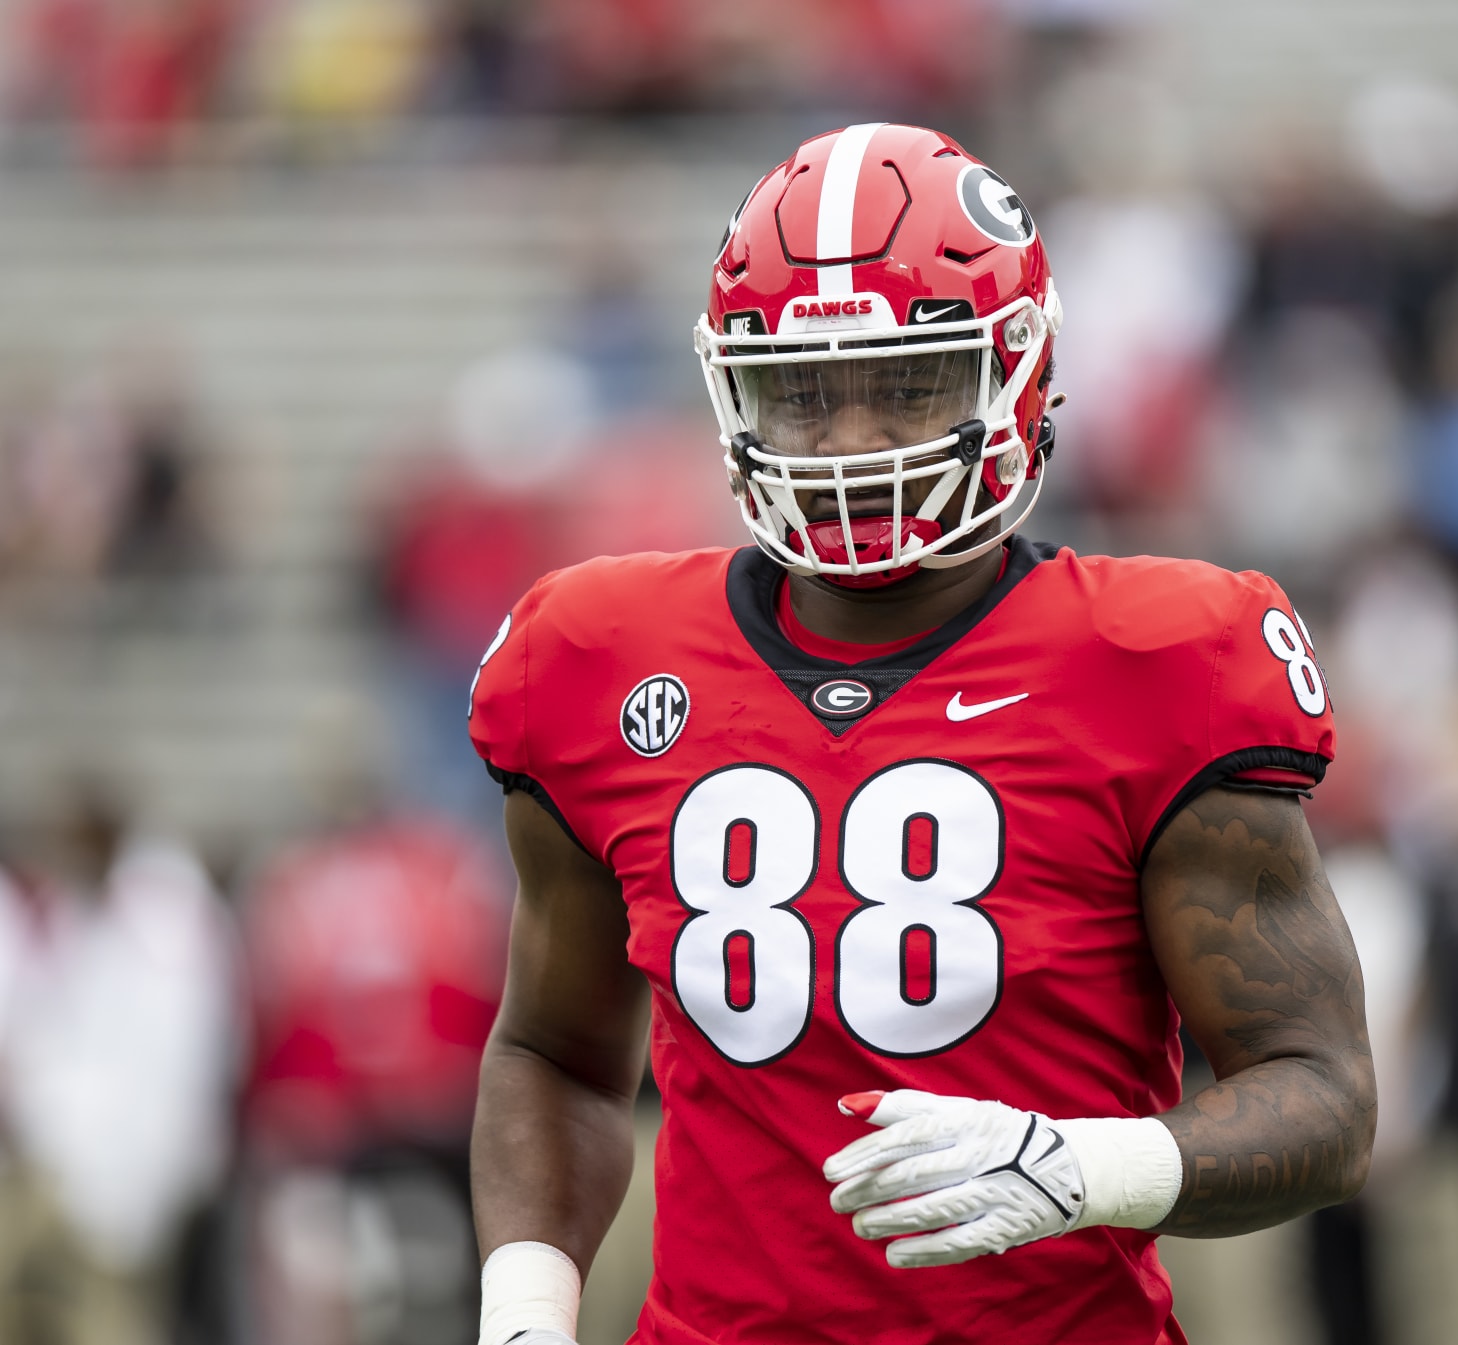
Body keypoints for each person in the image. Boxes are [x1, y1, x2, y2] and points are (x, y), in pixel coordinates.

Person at [466, 123, 1375, 1345]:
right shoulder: (596, 651)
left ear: (1019, 372)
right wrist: (525, 1310)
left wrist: (1083, 1168)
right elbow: (554, 1052)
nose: (847, 442)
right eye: (801, 392)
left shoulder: (1162, 659)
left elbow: (1323, 1097)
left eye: (905, 383)